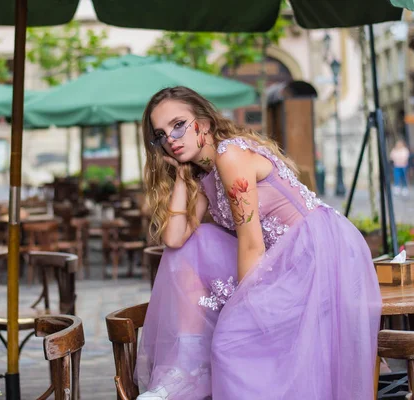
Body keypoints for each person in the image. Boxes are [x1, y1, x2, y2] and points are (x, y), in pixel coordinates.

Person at [135, 86, 381, 400]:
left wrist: (243, 310)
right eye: (161, 134)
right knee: (197, 242)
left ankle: (198, 371)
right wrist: (183, 177)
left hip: (315, 253)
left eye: (178, 124)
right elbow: (174, 239)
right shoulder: (203, 175)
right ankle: (187, 370)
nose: (170, 137)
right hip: (279, 259)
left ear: (205, 123)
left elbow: (251, 245)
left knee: (229, 342)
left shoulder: (230, 156)